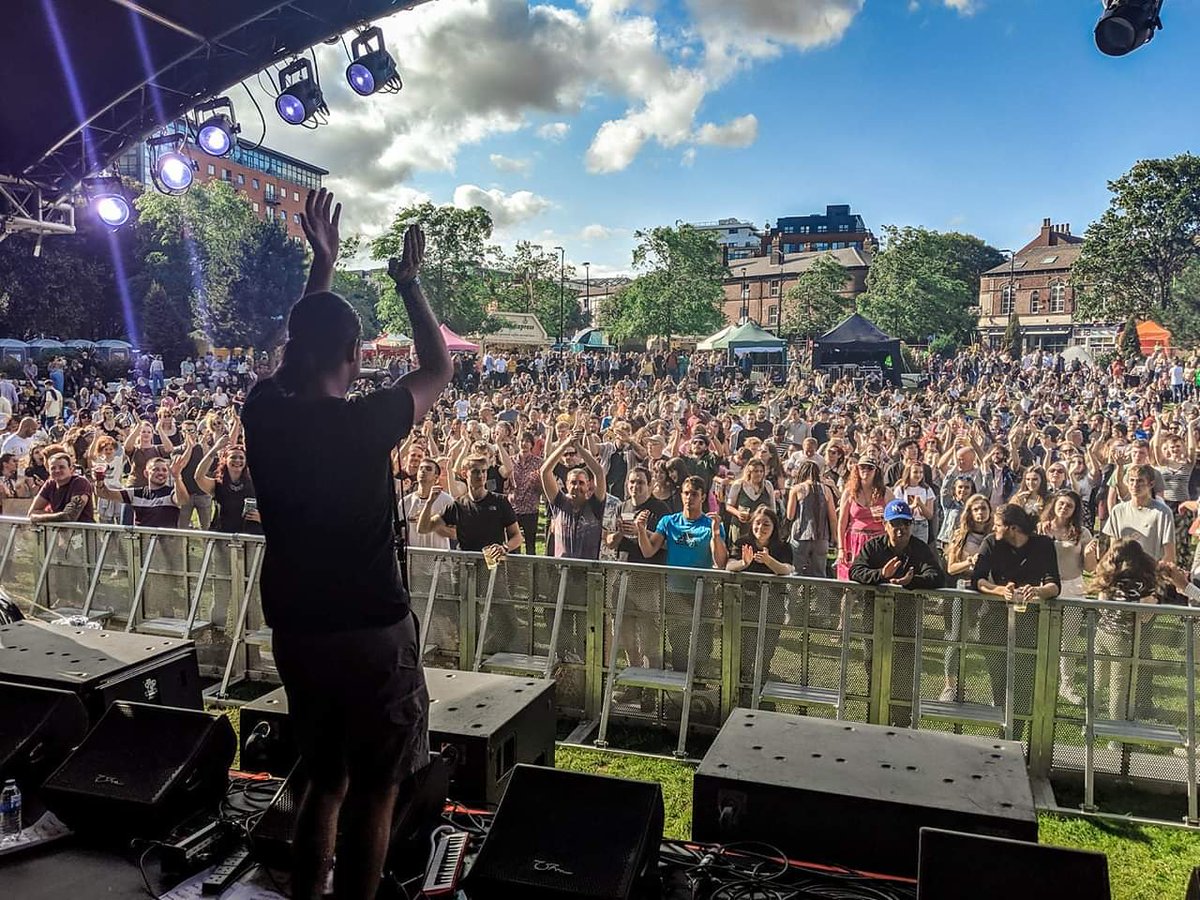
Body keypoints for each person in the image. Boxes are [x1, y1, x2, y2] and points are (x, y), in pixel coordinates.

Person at [240, 189, 453, 900]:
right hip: (369, 629)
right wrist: (411, 283)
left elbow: (298, 349)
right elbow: (437, 367)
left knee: (321, 781)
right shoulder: (367, 424)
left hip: (297, 626)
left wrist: (321, 264)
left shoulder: (264, 412)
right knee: (375, 788)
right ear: (358, 356)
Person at [971, 504, 1061, 739]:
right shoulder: (991, 542)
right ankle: (1003, 737)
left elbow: (1054, 585)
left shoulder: (1042, 545)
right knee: (1000, 686)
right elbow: (977, 579)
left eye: (998, 524)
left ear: (1012, 528)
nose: (993, 527)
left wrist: (1038, 591)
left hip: (1029, 626)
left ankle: (1015, 740)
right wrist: (1000, 590)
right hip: (994, 623)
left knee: (1023, 689)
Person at [636, 475, 728, 671]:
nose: (689, 498)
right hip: (675, 592)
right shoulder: (669, 521)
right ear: (681, 495)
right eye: (686, 493)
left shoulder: (711, 524)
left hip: (703, 593)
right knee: (678, 644)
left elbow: (720, 562)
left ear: (703, 497)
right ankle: (678, 688)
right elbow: (648, 551)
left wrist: (716, 534)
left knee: (703, 645)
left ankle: (698, 690)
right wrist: (641, 531)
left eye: (694, 494)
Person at [1038, 489, 1099, 706]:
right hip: (1046, 586)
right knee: (1043, 636)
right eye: (1061, 504)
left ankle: (1067, 685)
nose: (1064, 508)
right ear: (1054, 505)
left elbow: (1090, 567)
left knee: (1068, 641)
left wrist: (1091, 554)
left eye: (1069, 506)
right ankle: (1041, 679)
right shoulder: (1042, 528)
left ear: (1075, 510)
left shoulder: (1082, 533)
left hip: (1073, 588)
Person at [1103, 463, 1176, 565]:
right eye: (1131, 480)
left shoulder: (1162, 512)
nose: (1135, 485)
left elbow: (1169, 554)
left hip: (1149, 572)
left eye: (1140, 481)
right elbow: (1113, 548)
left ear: (1151, 484)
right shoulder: (1118, 511)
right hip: (1123, 571)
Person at [786, 460, 837, 578]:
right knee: (819, 574)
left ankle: (794, 596)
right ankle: (819, 596)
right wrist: (834, 536)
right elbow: (833, 517)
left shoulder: (797, 489)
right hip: (821, 537)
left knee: (797, 572)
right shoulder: (826, 490)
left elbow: (790, 515)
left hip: (800, 535)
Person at [29, 451, 95, 524]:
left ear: (71, 469)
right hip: (57, 533)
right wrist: (55, 516)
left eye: (62, 467)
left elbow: (69, 516)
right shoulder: (49, 484)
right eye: (53, 468)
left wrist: (37, 518)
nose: (57, 470)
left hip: (83, 533)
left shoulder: (80, 483)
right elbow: (32, 512)